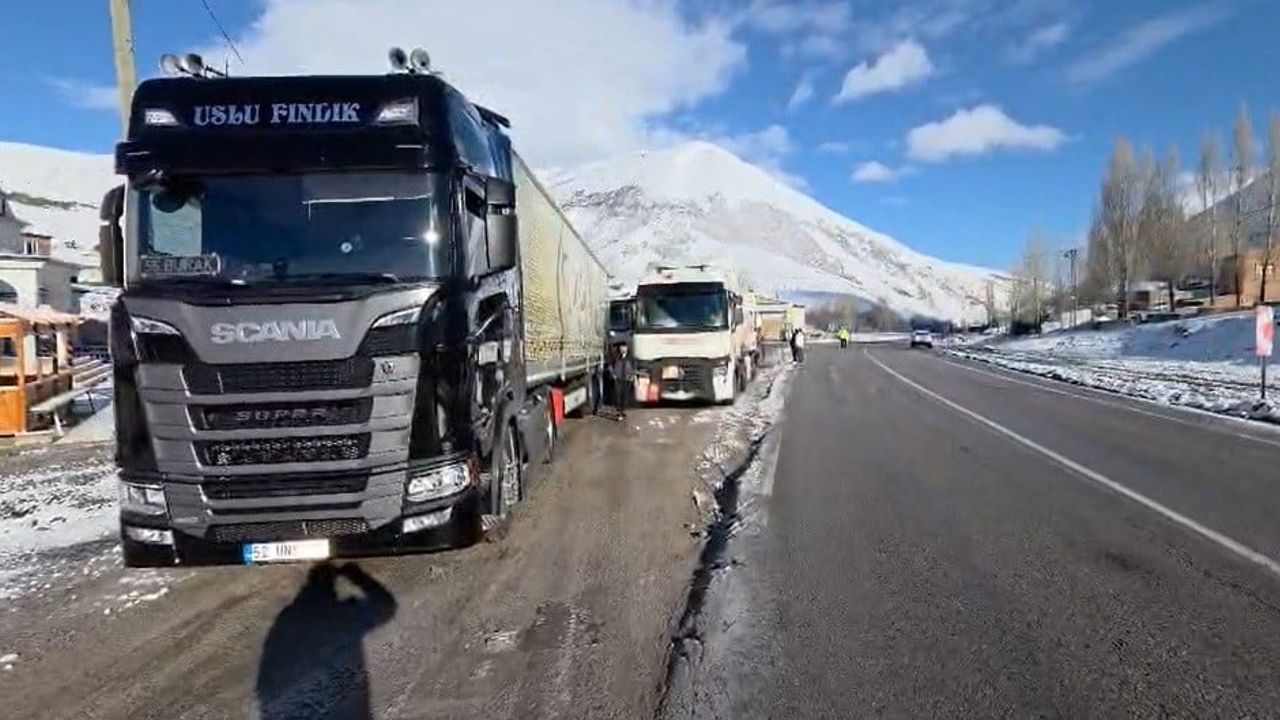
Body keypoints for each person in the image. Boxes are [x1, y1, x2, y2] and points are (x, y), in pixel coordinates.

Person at [610, 342, 634, 421]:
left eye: (624, 347)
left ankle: (623, 410)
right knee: (618, 395)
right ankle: (619, 412)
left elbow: (634, 367)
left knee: (625, 396)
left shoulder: (630, 357)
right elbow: (610, 366)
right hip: (618, 378)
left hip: (627, 379)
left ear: (627, 348)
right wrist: (613, 374)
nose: (622, 349)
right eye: (621, 348)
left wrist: (632, 376)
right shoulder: (616, 356)